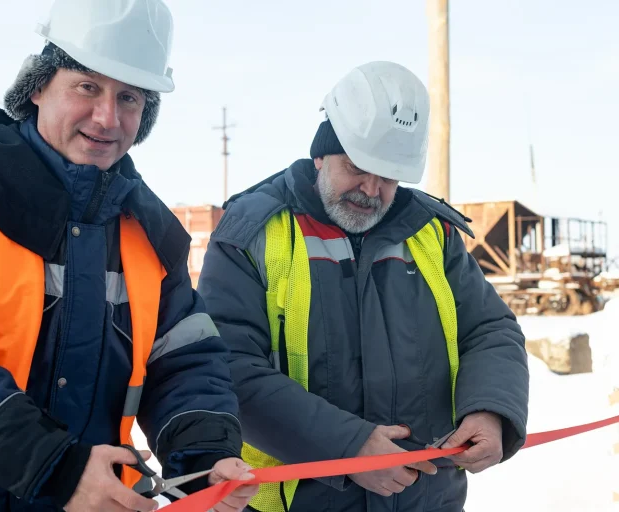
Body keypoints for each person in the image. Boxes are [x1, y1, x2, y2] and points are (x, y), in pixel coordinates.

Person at [0, 0, 259, 510]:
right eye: (87, 86)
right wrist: (55, 468)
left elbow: (186, 364)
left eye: (129, 97)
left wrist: (204, 461)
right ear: (38, 87)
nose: (107, 117)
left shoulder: (151, 233)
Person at [196, 61, 530, 512]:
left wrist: (491, 410)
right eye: (356, 167)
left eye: (388, 176)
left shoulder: (432, 234)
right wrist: (345, 447)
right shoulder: (254, 231)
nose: (371, 190)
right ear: (321, 154)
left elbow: (490, 330)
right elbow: (226, 363)